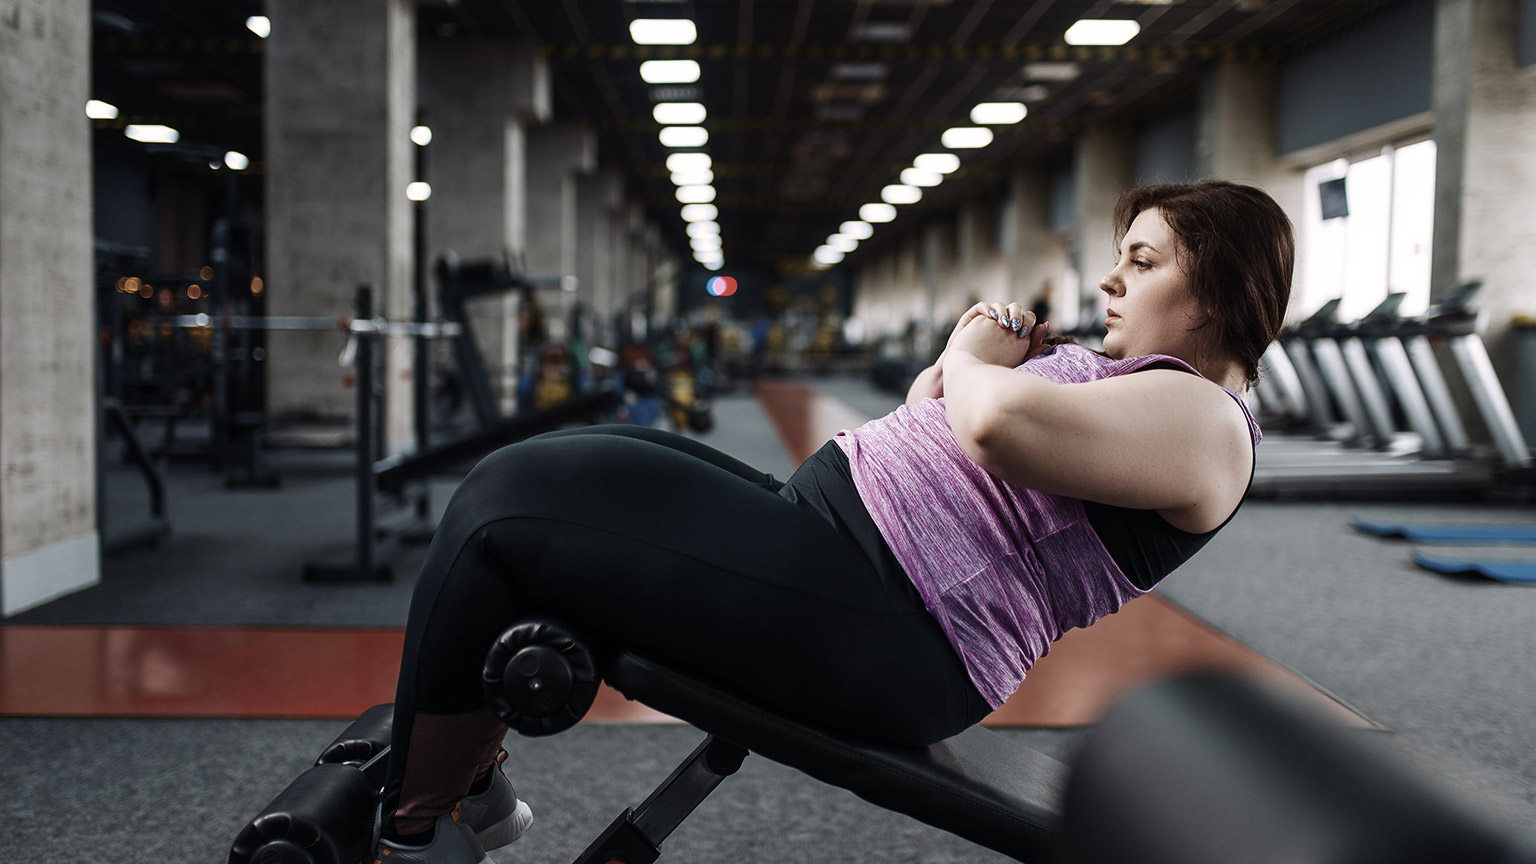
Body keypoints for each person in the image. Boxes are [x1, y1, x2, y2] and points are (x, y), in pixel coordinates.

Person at [372, 180, 1295, 863]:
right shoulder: (1137, 384)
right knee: (538, 475)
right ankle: (470, 791)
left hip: (890, 621)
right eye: (1119, 257)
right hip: (832, 542)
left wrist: (966, 355)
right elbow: (940, 418)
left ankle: (418, 833)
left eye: (1142, 262)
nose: (1109, 283)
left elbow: (991, 424)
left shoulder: (1210, 422)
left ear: (1218, 295)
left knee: (509, 506)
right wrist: (956, 374)